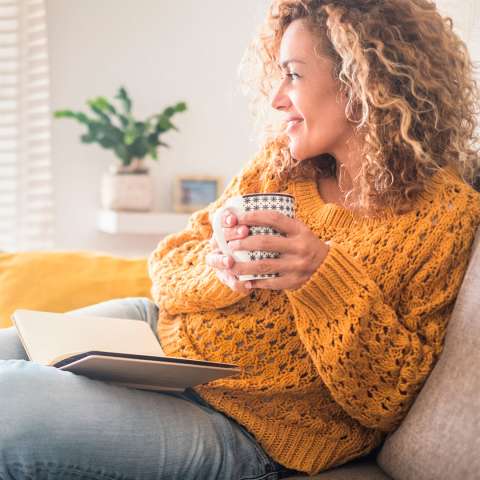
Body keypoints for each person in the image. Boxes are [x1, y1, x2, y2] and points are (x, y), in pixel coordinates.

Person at [1, 0, 479, 478]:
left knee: (10, 405)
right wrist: (220, 265)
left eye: (293, 75)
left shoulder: (445, 215)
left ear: (363, 81)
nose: (275, 98)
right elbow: (168, 264)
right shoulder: (281, 165)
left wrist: (323, 278)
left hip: (245, 426)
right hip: (153, 339)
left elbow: (391, 397)